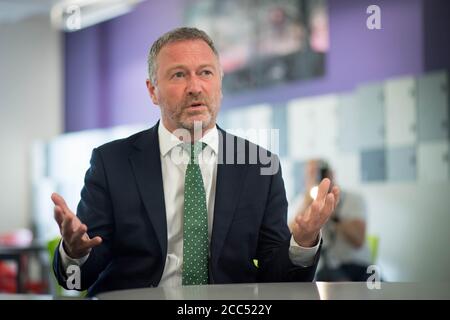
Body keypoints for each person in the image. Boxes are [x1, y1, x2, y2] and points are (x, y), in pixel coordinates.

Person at [51, 27, 340, 296]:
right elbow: (79, 278)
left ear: (220, 85)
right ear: (153, 90)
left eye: (205, 73)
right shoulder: (111, 162)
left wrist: (301, 244)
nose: (195, 87)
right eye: (178, 75)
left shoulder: (260, 166)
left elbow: (277, 281)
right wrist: (75, 253)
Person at [289, 159, 371, 282]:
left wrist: (331, 210)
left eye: (320, 173)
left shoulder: (354, 199)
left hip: (358, 265)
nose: (317, 178)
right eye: (311, 174)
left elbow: (358, 240)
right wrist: (307, 203)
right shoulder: (302, 201)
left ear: (331, 174)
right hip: (326, 270)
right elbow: (289, 237)